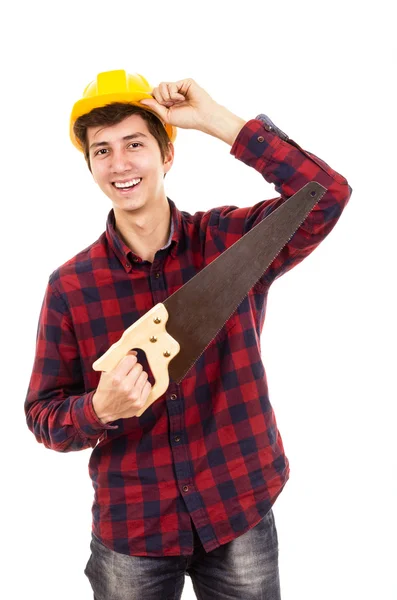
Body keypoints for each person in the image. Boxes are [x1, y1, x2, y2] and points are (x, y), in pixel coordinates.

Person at [24, 69, 352, 599]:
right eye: (102, 151)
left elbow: (328, 194)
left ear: (167, 154)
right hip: (134, 529)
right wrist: (100, 408)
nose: (120, 163)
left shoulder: (230, 242)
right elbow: (43, 416)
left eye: (135, 144)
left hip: (237, 506)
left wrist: (216, 120)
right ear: (89, 166)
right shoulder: (70, 287)